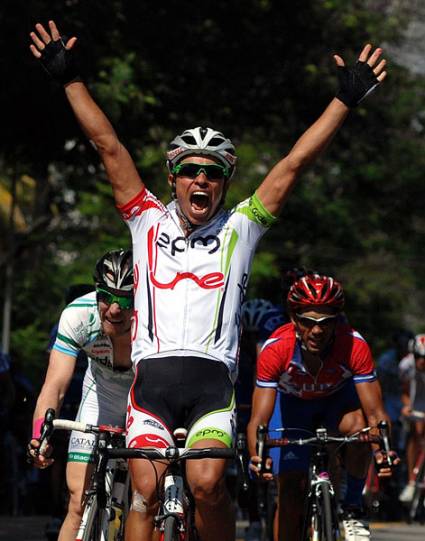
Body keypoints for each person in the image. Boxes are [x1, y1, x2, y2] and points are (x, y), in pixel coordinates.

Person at [29, 19, 387, 541]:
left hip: (212, 384)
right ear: (173, 177)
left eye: (214, 172)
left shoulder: (240, 228)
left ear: (224, 182)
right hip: (151, 382)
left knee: (207, 485)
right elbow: (107, 145)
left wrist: (345, 101)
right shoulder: (145, 220)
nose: (202, 179)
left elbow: (294, 164)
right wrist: (69, 80)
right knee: (146, 493)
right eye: (191, 170)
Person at [247, 273, 399, 541]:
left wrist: (383, 452)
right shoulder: (276, 349)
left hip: (337, 404)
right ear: (294, 319)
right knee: (291, 489)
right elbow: (259, 418)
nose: (317, 330)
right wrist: (258, 456)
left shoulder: (354, 344)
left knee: (358, 429)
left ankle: (353, 507)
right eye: (308, 321)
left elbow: (376, 413)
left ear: (337, 320)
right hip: (292, 408)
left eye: (327, 322)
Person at [27, 249, 134, 541]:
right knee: (78, 501)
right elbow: (55, 386)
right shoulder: (78, 315)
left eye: (125, 299)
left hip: (145, 396)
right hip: (101, 394)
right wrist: (40, 434)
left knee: (145, 501)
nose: (114, 309)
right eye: (106, 297)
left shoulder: (157, 319)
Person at [398, 333, 425, 502]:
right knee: (416, 432)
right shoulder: (406, 365)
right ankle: (411, 480)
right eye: (419, 357)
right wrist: (407, 406)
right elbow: (406, 391)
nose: (422, 361)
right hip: (417, 400)